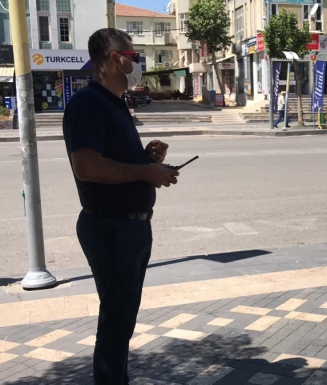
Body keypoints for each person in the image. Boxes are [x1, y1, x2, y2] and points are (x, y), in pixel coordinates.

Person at [62, 28, 180, 384]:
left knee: (121, 318)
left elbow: (114, 161)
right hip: (113, 229)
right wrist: (146, 171)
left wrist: (147, 160)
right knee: (116, 320)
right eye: (134, 55)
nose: (138, 63)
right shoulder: (89, 103)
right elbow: (87, 167)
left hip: (128, 227)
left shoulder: (115, 104)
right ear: (115, 59)